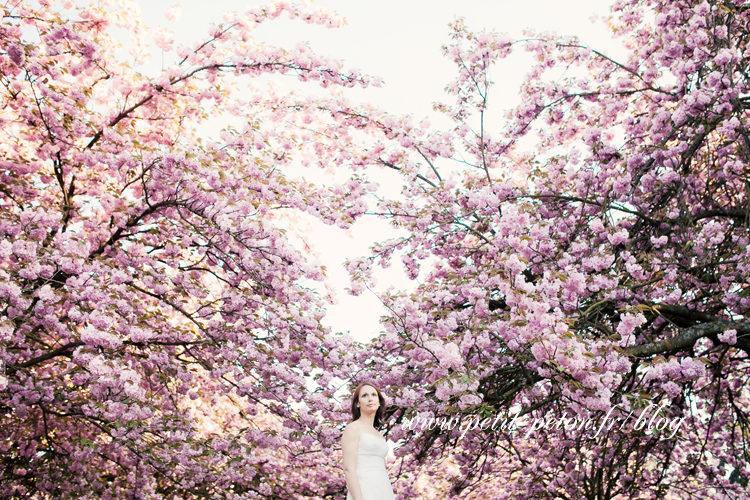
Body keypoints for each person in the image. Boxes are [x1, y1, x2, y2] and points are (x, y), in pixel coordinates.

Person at [341, 382, 396, 500]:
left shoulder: (378, 434)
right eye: (364, 395)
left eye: (373, 395)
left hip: (383, 488)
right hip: (363, 489)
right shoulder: (353, 428)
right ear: (357, 404)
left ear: (379, 402)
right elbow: (348, 469)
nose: (370, 399)